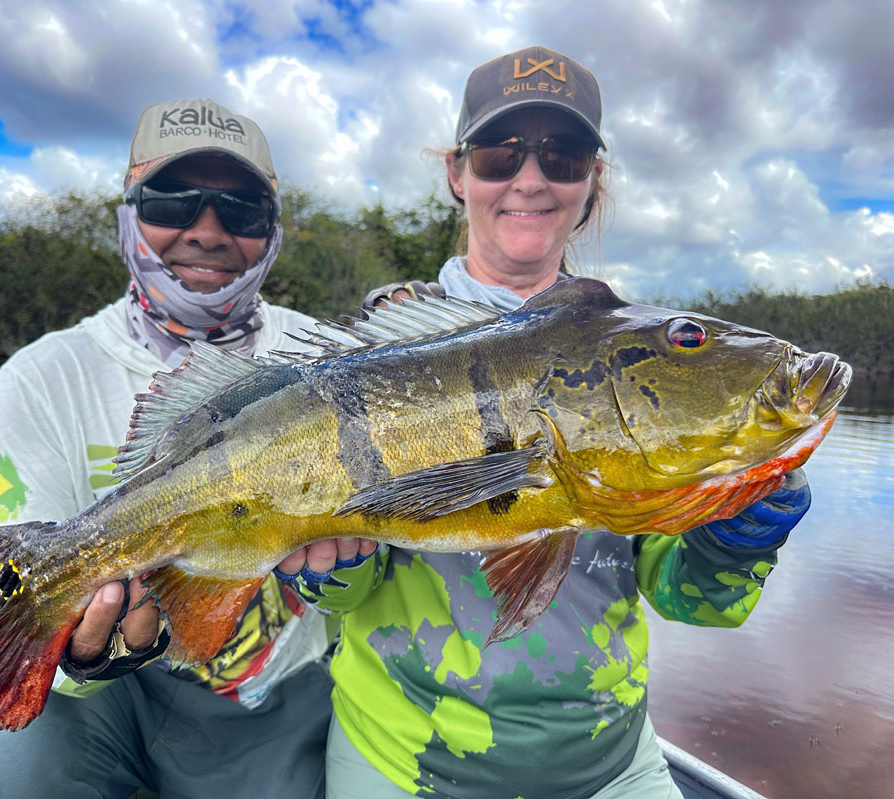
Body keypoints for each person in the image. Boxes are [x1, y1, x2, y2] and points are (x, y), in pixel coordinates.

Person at [279, 46, 811, 799]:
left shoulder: (640, 362)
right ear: (457, 174)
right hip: (401, 761)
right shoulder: (379, 348)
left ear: (592, 181)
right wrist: (333, 568)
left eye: (563, 154)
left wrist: (730, 544)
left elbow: (689, 598)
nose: (530, 177)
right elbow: (336, 598)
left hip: (611, 766)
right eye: (501, 153)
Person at [0, 98, 334, 799]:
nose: (207, 231)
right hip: (95, 704)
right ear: (127, 210)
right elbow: (4, 622)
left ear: (272, 230)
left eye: (241, 210)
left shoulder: (325, 354)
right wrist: (92, 653)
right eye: (173, 200)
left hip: (278, 689)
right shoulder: (41, 375)